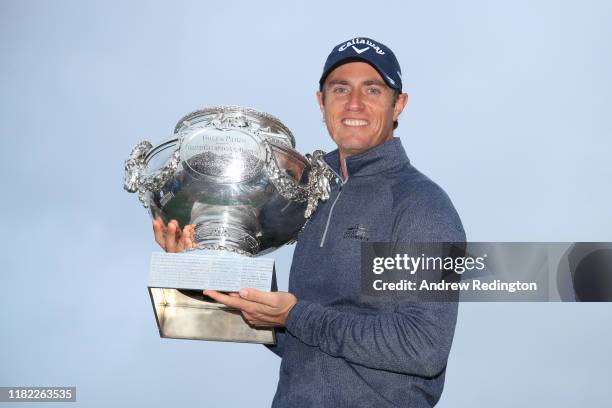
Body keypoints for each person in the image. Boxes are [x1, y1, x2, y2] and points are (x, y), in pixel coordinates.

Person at [154, 37, 465, 407]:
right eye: (340, 89)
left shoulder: (421, 205)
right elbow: (298, 340)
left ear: (399, 104)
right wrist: (205, 267)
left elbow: (422, 346)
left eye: (372, 89)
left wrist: (295, 314)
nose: (354, 103)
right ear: (321, 102)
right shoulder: (311, 199)